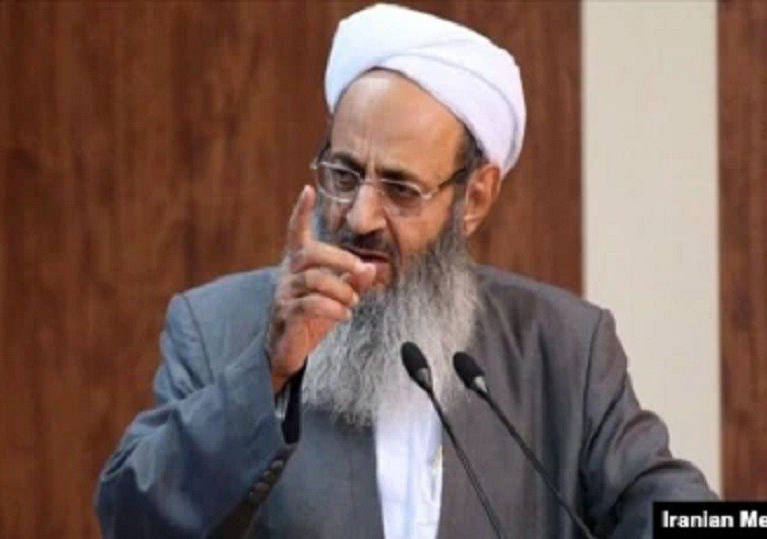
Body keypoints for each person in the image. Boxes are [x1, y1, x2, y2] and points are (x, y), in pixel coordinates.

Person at [95, 4, 715, 538]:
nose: (359, 216)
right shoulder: (217, 328)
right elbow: (129, 517)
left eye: (400, 189)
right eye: (343, 175)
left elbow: (667, 505)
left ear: (474, 199)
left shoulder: (562, 349)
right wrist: (266, 372)